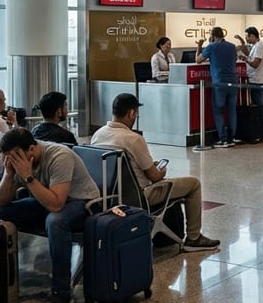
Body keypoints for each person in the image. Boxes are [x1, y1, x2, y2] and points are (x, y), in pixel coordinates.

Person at [0, 128, 100, 303]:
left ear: (31, 149)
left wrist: (28, 177)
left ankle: (61, 292)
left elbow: (57, 205)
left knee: (55, 222)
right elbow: (1, 201)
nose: (12, 161)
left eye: (15, 157)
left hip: (81, 204)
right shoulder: (16, 160)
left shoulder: (59, 156)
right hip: (45, 200)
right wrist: (9, 175)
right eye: (8, 158)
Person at [90, 94, 220, 251]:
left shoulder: (98, 134)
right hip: (142, 196)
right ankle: (193, 238)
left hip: (111, 197)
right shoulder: (133, 139)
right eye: (136, 113)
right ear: (131, 113)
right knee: (194, 184)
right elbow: (154, 176)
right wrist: (161, 169)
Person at [196, 26, 238, 148]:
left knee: (218, 110)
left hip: (219, 82)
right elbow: (233, 60)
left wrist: (199, 46)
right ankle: (231, 138)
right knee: (232, 111)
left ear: (213, 36)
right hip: (233, 82)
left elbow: (198, 60)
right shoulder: (232, 46)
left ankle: (223, 139)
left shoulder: (211, 46)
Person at [237, 27, 263, 144]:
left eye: (247, 36)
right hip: (255, 80)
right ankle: (260, 130)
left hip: (258, 81)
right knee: (258, 106)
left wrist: (245, 59)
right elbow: (249, 54)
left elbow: (255, 63)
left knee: (259, 107)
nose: (247, 38)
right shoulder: (256, 46)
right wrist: (242, 43)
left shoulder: (260, 46)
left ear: (253, 36)